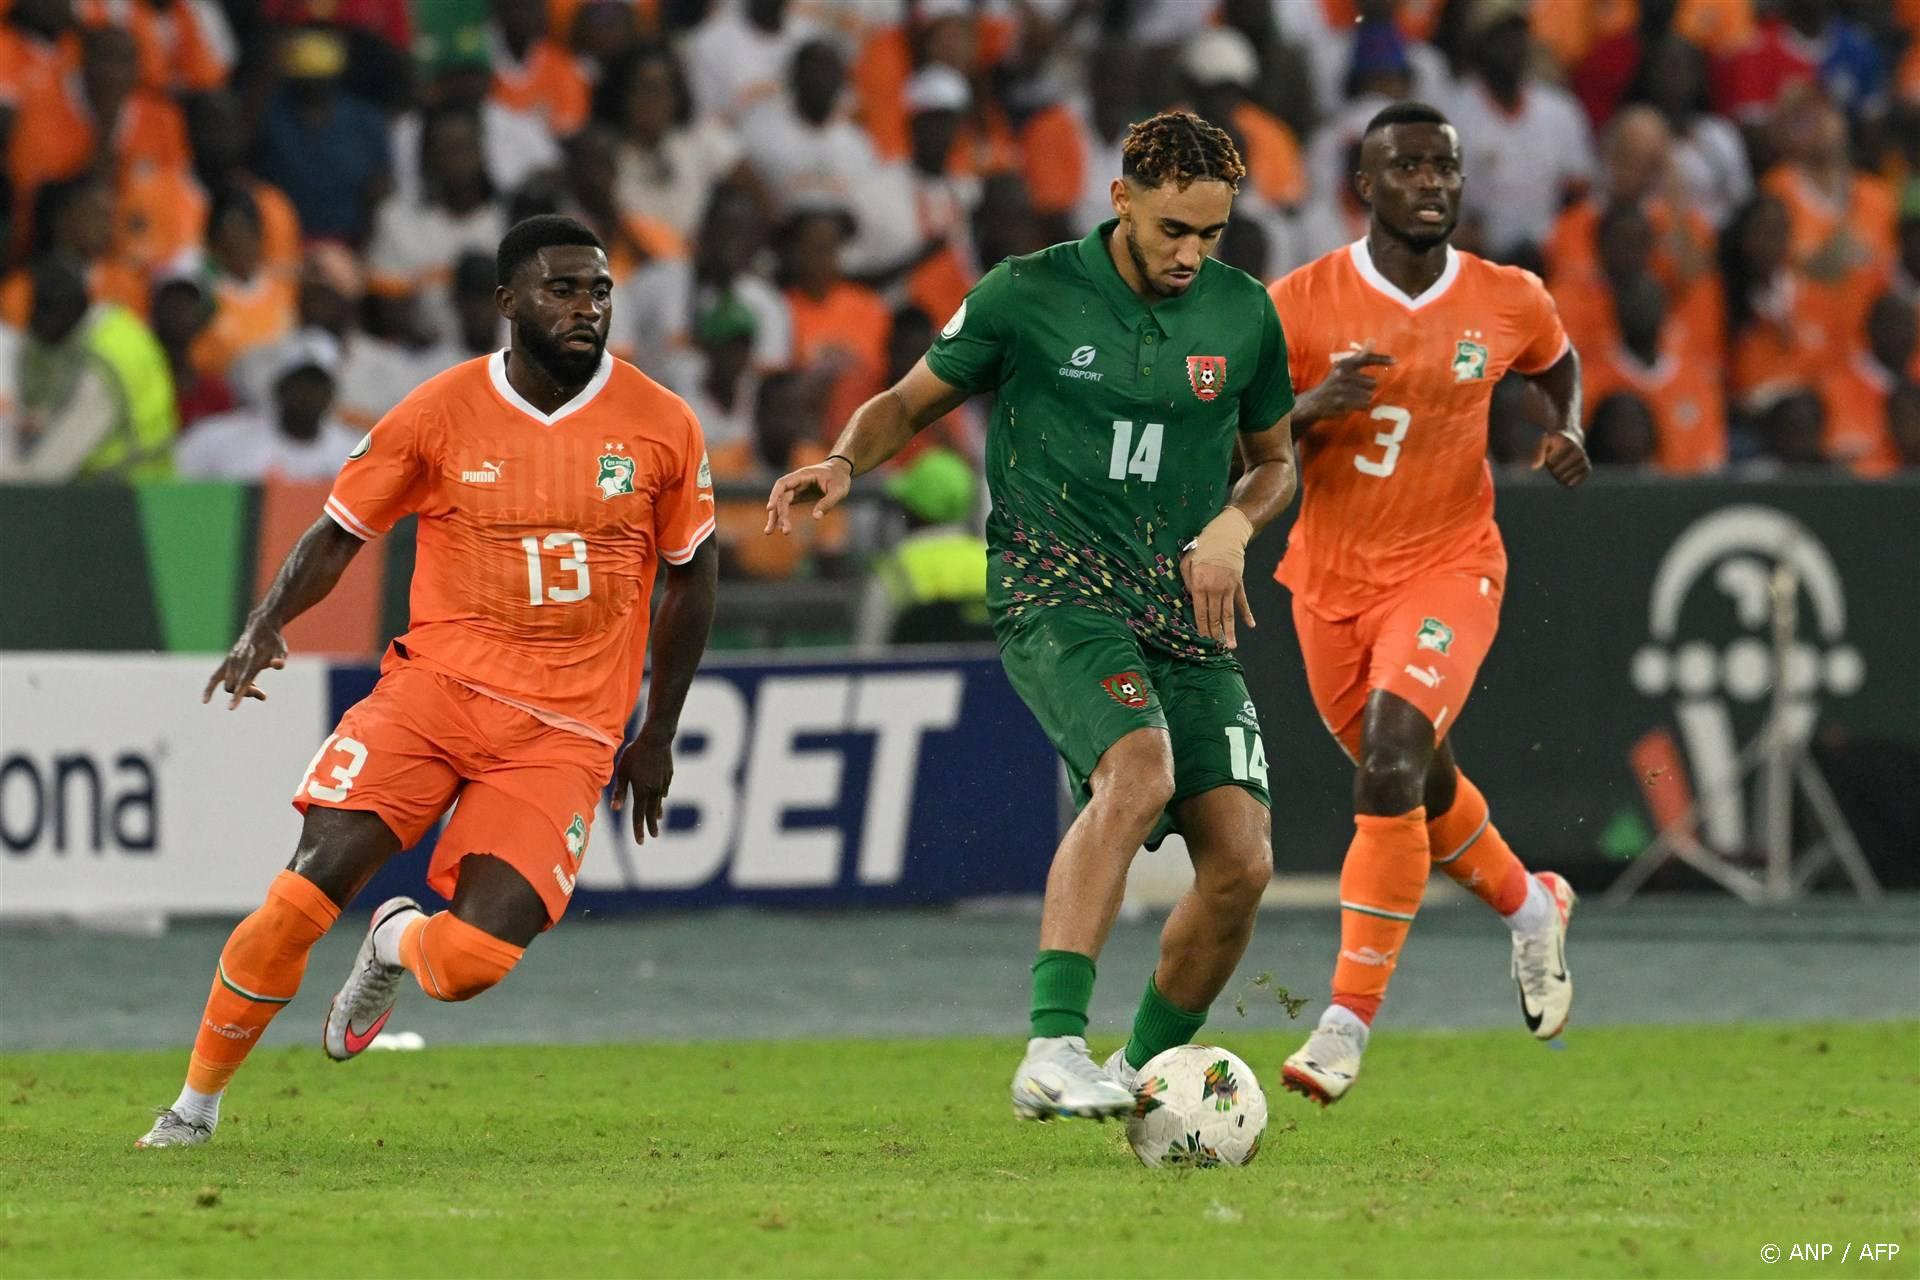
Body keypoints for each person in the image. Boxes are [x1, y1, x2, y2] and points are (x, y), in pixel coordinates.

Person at [135, 215, 719, 1149]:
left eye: (599, 291)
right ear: (506, 303)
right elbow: (340, 532)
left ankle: (393, 940)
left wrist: (659, 731)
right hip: (433, 693)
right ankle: (192, 1110)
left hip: (566, 730)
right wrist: (265, 622)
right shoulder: (439, 410)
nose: (586, 307)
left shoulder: (662, 422)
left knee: (474, 961)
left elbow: (692, 572)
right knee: (301, 892)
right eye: (562, 289)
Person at [766, 111, 1298, 1122]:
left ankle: (1140, 1075)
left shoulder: (1245, 314)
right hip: (1055, 585)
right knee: (1138, 771)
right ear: (1122, 200)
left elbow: (1277, 458)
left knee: (1242, 864)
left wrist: (1236, 522)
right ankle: (1053, 1042)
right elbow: (908, 401)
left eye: (1210, 234)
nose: (1192, 254)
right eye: (1172, 229)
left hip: (1185, 603)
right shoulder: (1028, 292)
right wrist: (841, 461)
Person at [1264, 101, 1589, 1107]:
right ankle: (1530, 905)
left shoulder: (1505, 296)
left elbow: (1554, 358)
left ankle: (1345, 1020)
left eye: (1444, 167)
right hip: (1327, 580)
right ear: (1363, 185)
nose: (1432, 182)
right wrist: (1306, 411)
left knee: (1394, 759)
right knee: (1414, 780)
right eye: (1407, 167)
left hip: (1451, 565)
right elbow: (1231, 438)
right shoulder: (1299, 304)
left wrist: (1563, 424)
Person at [2, 254, 176, 481]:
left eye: (43, 312)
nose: (35, 326)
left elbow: (45, 473)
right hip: (130, 488)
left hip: (129, 494)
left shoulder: (103, 364)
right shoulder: (104, 328)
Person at [174, 330, 363, 482]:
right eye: (299, 385)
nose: (308, 395)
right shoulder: (218, 439)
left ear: (331, 393)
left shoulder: (354, 455)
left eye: (317, 386)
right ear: (280, 387)